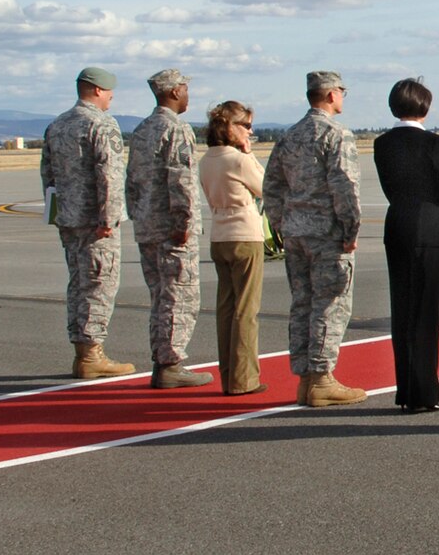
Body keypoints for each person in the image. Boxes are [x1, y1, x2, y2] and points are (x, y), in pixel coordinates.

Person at [262, 70, 367, 408]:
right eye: (342, 92)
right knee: (330, 304)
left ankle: (306, 379)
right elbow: (345, 186)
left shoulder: (290, 136)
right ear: (331, 95)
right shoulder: (336, 134)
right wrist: (350, 229)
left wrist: (281, 223)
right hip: (326, 234)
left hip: (295, 233)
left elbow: (272, 185)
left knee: (302, 304)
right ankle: (321, 378)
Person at [40, 66, 135, 379]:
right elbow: (109, 174)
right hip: (96, 222)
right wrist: (109, 217)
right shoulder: (102, 123)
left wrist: (57, 212)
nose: (111, 98)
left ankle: (82, 353)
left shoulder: (57, 125)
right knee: (100, 284)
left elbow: (48, 175)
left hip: (69, 219)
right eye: (109, 92)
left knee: (78, 282)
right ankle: (92, 353)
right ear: (96, 90)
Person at [375, 80, 439, 413]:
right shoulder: (433, 144)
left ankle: (406, 390)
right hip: (430, 225)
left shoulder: (383, 144)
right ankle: (424, 393)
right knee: (425, 312)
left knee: (403, 310)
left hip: (397, 222)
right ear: (424, 107)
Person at [126, 68, 211, 389]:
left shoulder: (143, 130)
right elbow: (182, 181)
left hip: (148, 225)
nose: (188, 94)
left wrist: (138, 215)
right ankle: (170, 363)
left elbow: (131, 181)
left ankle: (163, 359)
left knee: (160, 295)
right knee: (179, 296)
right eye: (186, 88)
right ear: (174, 92)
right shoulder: (175, 129)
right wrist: (185, 223)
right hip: (171, 229)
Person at [200, 100, 267, 396]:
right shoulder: (237, 159)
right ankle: (244, 378)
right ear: (231, 127)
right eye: (247, 126)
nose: (250, 133)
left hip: (219, 234)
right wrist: (250, 155)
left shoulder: (207, 159)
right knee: (246, 310)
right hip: (245, 234)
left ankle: (228, 376)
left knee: (226, 308)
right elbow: (266, 187)